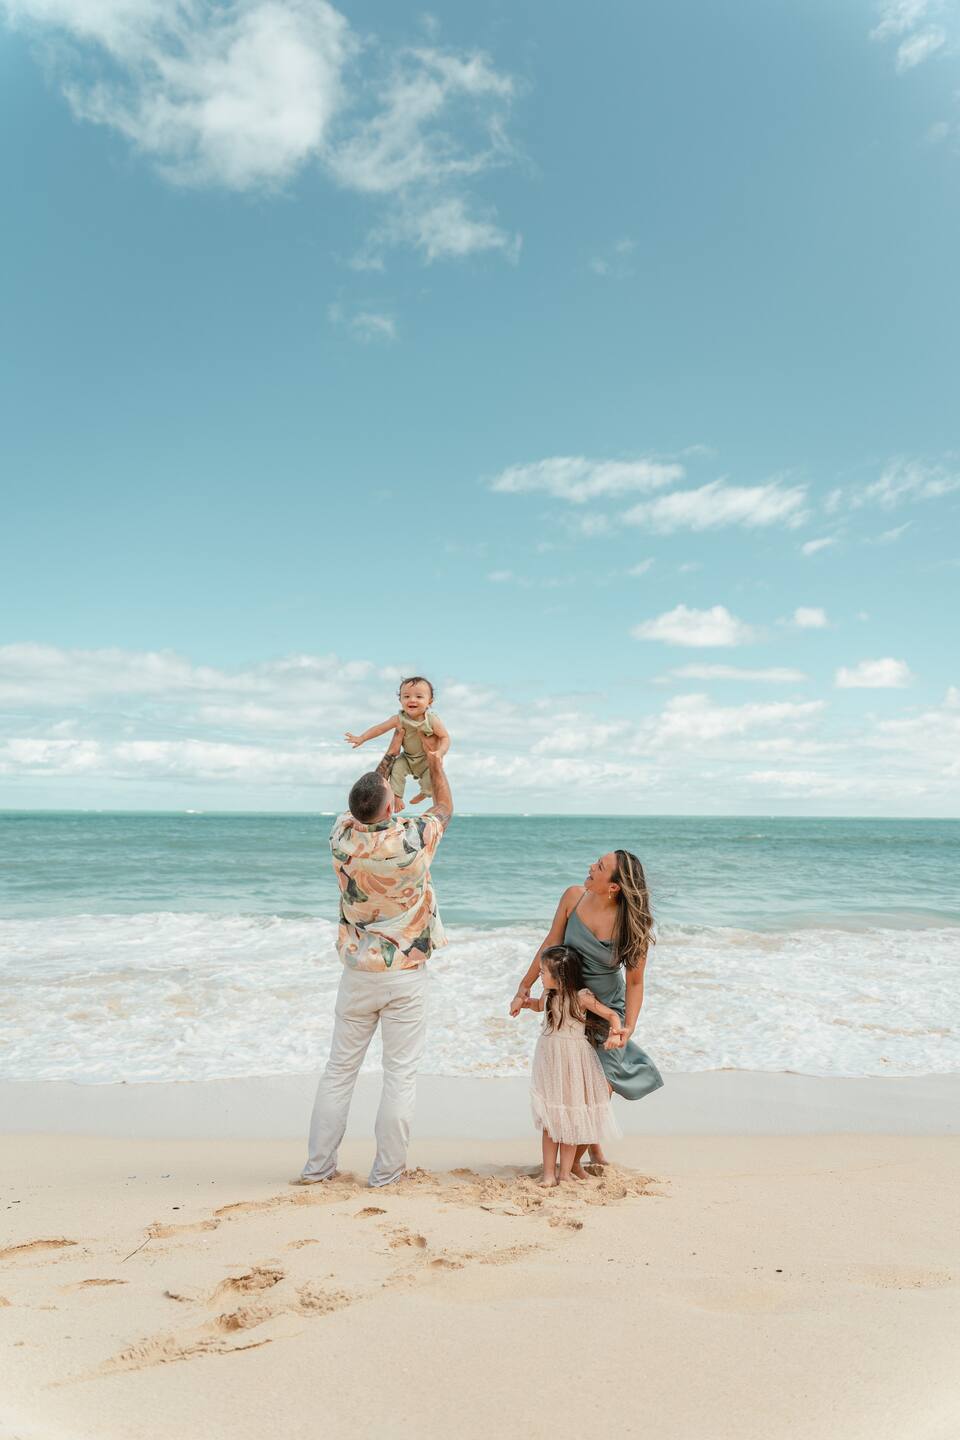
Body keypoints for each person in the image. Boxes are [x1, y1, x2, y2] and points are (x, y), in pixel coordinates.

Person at [297, 734, 453, 1188]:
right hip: (404, 974)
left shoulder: (341, 834)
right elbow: (444, 805)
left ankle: (318, 1168)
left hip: (357, 973)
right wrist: (436, 765)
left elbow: (370, 792)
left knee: (339, 1071)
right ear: (391, 810)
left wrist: (391, 749)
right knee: (399, 1075)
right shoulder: (412, 839)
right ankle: (386, 1173)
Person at [509, 850, 663, 1173]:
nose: (591, 867)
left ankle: (571, 1165)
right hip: (573, 1008)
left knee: (598, 1089)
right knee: (573, 1085)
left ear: (614, 887)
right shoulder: (573, 898)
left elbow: (635, 983)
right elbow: (550, 944)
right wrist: (525, 985)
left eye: (600, 867)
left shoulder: (632, 927)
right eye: (596, 862)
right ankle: (584, 1152)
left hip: (607, 1008)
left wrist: (628, 1027)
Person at [519, 944, 623, 1186]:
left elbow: (611, 1015)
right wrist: (524, 1003)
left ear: (560, 976)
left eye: (544, 972)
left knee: (570, 1116)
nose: (540, 975)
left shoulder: (582, 997)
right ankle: (548, 1174)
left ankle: (564, 1173)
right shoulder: (548, 995)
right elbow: (537, 1006)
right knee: (550, 1118)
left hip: (575, 1061)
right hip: (550, 1061)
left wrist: (615, 1033)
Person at [345, 676, 450, 810]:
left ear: (430, 701)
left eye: (419, 696)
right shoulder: (399, 719)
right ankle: (397, 796)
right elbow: (379, 728)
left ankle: (425, 793)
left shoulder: (432, 720)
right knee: (396, 769)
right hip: (407, 757)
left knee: (433, 774)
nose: (412, 700)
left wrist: (440, 752)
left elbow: (445, 737)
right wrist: (362, 738)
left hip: (425, 759)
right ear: (400, 700)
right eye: (406, 696)